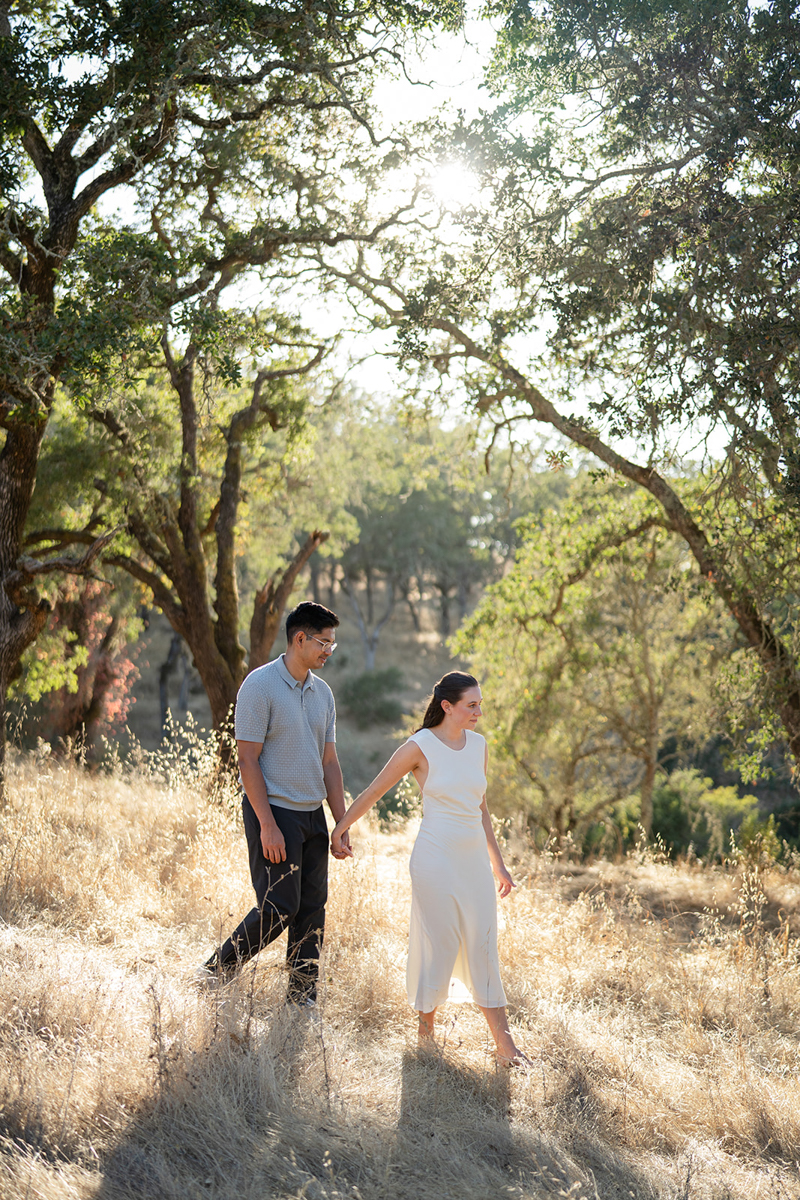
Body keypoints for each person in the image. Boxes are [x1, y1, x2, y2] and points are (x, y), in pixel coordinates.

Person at [331, 671, 527, 1066]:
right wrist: (341, 827)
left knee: (484, 943)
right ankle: (426, 1035)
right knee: (440, 942)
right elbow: (374, 790)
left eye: (480, 704)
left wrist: (499, 865)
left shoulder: (479, 745)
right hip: (434, 860)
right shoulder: (418, 747)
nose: (479, 711)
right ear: (447, 706)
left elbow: (482, 809)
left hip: (473, 862)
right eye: (472, 705)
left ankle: (505, 1047)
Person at [201, 601, 352, 1003]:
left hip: (313, 815)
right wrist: (267, 824)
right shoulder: (259, 685)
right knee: (278, 906)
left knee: (312, 909)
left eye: (332, 645)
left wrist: (341, 823)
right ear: (299, 638)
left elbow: (330, 762)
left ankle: (301, 997)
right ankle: (216, 971)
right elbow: (247, 759)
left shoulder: (324, 694)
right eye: (323, 643)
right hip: (274, 812)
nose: (328, 652)